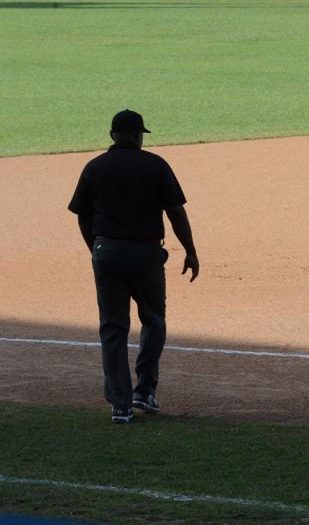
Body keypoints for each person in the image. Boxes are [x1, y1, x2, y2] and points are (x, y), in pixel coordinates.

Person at [68, 109, 199, 424]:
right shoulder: (155, 165)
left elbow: (82, 215)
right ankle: (145, 391)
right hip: (145, 256)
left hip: (107, 252)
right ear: (139, 135)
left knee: (113, 327)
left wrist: (96, 248)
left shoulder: (95, 167)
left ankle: (121, 404)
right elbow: (176, 212)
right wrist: (191, 250)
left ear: (112, 135)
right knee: (153, 320)